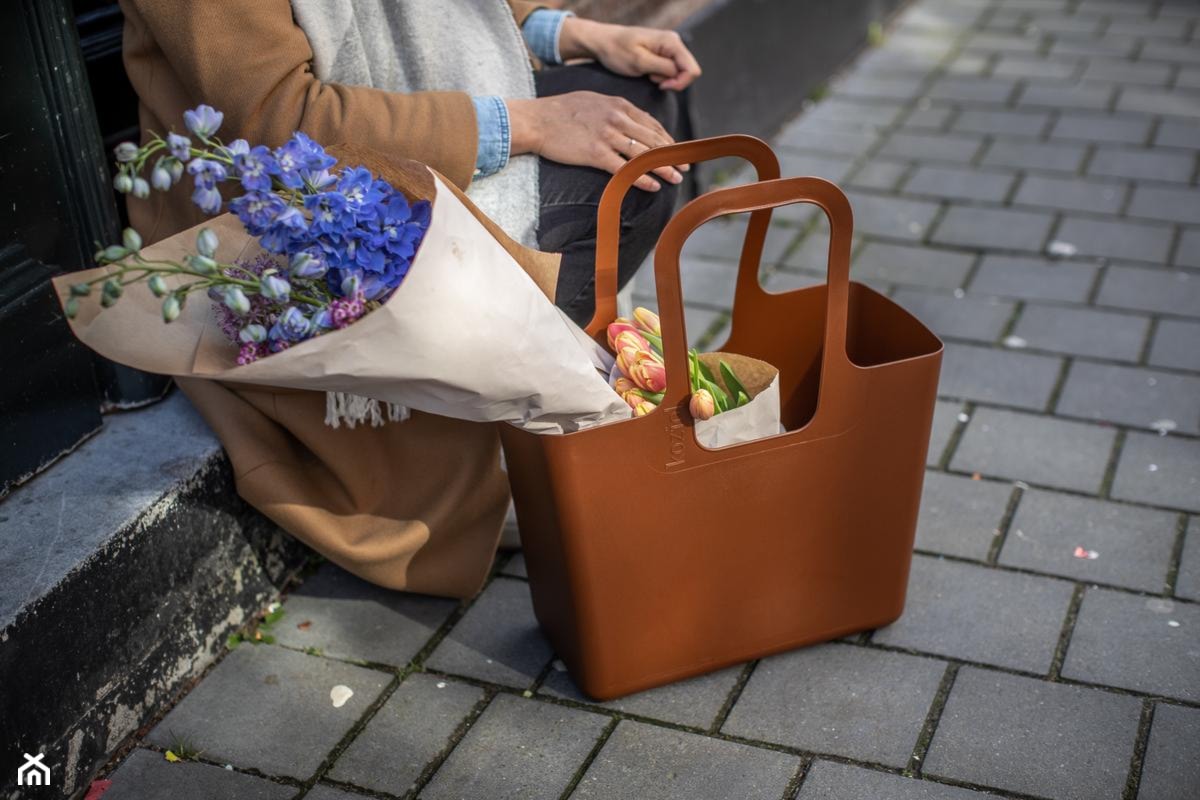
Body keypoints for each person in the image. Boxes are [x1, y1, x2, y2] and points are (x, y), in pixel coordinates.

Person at [116, 0, 703, 597]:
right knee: (624, 188)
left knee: (644, 108)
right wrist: (531, 123)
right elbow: (275, 119)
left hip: (403, 118)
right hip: (294, 207)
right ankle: (506, 449)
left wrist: (567, 33)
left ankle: (545, 406)